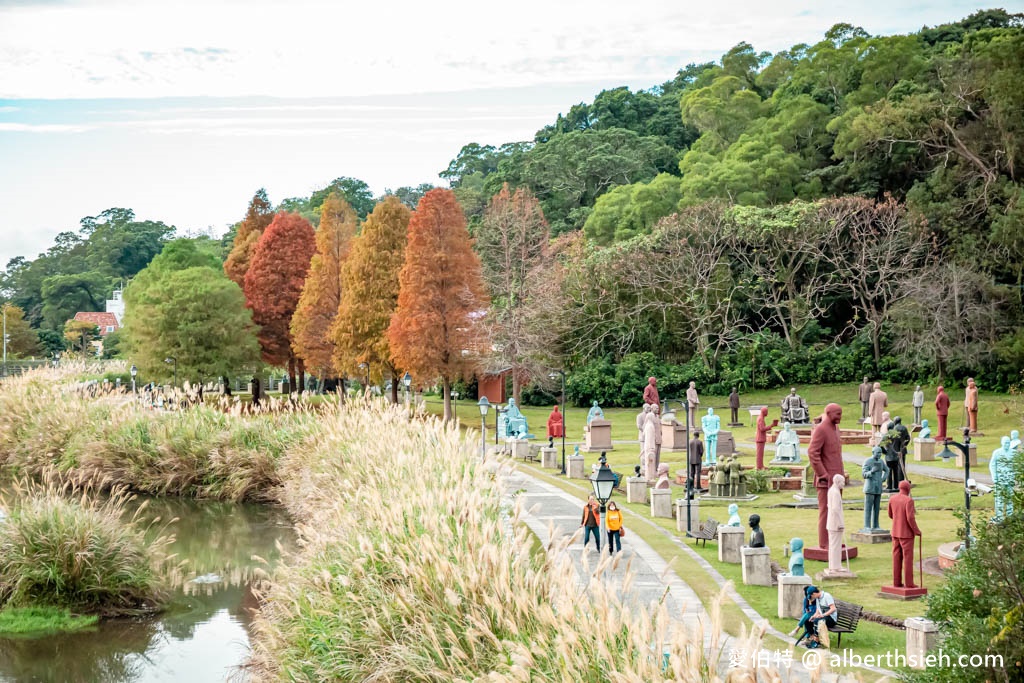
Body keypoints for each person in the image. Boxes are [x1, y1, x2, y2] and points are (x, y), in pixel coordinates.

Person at [807, 403, 845, 551]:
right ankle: (824, 542)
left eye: (841, 414)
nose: (840, 417)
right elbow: (812, 453)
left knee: (836, 510)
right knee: (826, 511)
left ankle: (834, 539)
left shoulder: (836, 429)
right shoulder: (821, 429)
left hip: (837, 480)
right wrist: (822, 474)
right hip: (825, 480)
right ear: (828, 414)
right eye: (838, 414)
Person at [888, 480, 923, 588]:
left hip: (895, 532)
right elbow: (910, 518)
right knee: (908, 559)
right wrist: (916, 530)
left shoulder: (892, 498)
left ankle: (896, 582)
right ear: (908, 489)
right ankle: (909, 583)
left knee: (896, 558)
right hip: (906, 534)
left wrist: (898, 520)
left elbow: (890, 514)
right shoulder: (908, 501)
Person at [754, 406, 777, 470]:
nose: (767, 413)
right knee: (759, 453)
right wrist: (771, 425)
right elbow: (762, 429)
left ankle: (761, 465)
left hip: (761, 438)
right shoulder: (760, 419)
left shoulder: (760, 418)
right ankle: (759, 467)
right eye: (767, 412)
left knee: (760, 453)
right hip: (760, 438)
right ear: (764, 412)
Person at [687, 430, 704, 495]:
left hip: (691, 459)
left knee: (691, 473)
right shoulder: (699, 442)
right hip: (698, 459)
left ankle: (691, 486)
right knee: (698, 473)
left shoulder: (690, 441)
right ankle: (698, 486)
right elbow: (701, 451)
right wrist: (700, 456)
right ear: (698, 435)